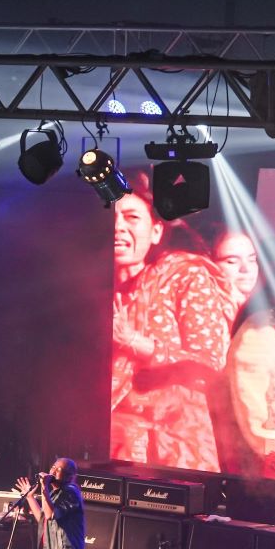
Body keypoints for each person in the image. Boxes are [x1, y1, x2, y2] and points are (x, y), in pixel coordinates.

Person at [109, 173, 235, 472]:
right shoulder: (92, 292)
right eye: (111, 217)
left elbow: (210, 358)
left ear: (155, 231)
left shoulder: (183, 275)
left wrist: (134, 342)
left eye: (131, 217)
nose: (118, 228)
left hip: (175, 446)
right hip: (112, 447)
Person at [214, 229, 275, 479]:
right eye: (232, 261)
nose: (245, 269)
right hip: (269, 469)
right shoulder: (256, 331)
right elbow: (253, 420)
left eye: (251, 259)